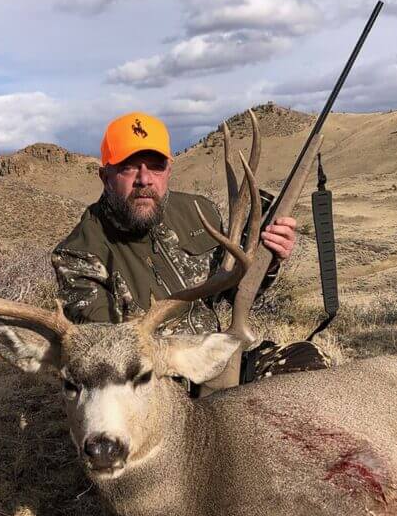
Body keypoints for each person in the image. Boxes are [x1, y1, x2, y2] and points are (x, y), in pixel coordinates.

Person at [52, 111, 330, 383]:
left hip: (221, 364)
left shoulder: (199, 211)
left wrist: (268, 260)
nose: (144, 179)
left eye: (156, 166)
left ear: (169, 170)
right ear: (105, 176)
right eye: (128, 166)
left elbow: (237, 295)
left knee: (308, 362)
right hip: (150, 381)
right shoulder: (79, 254)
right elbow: (108, 350)